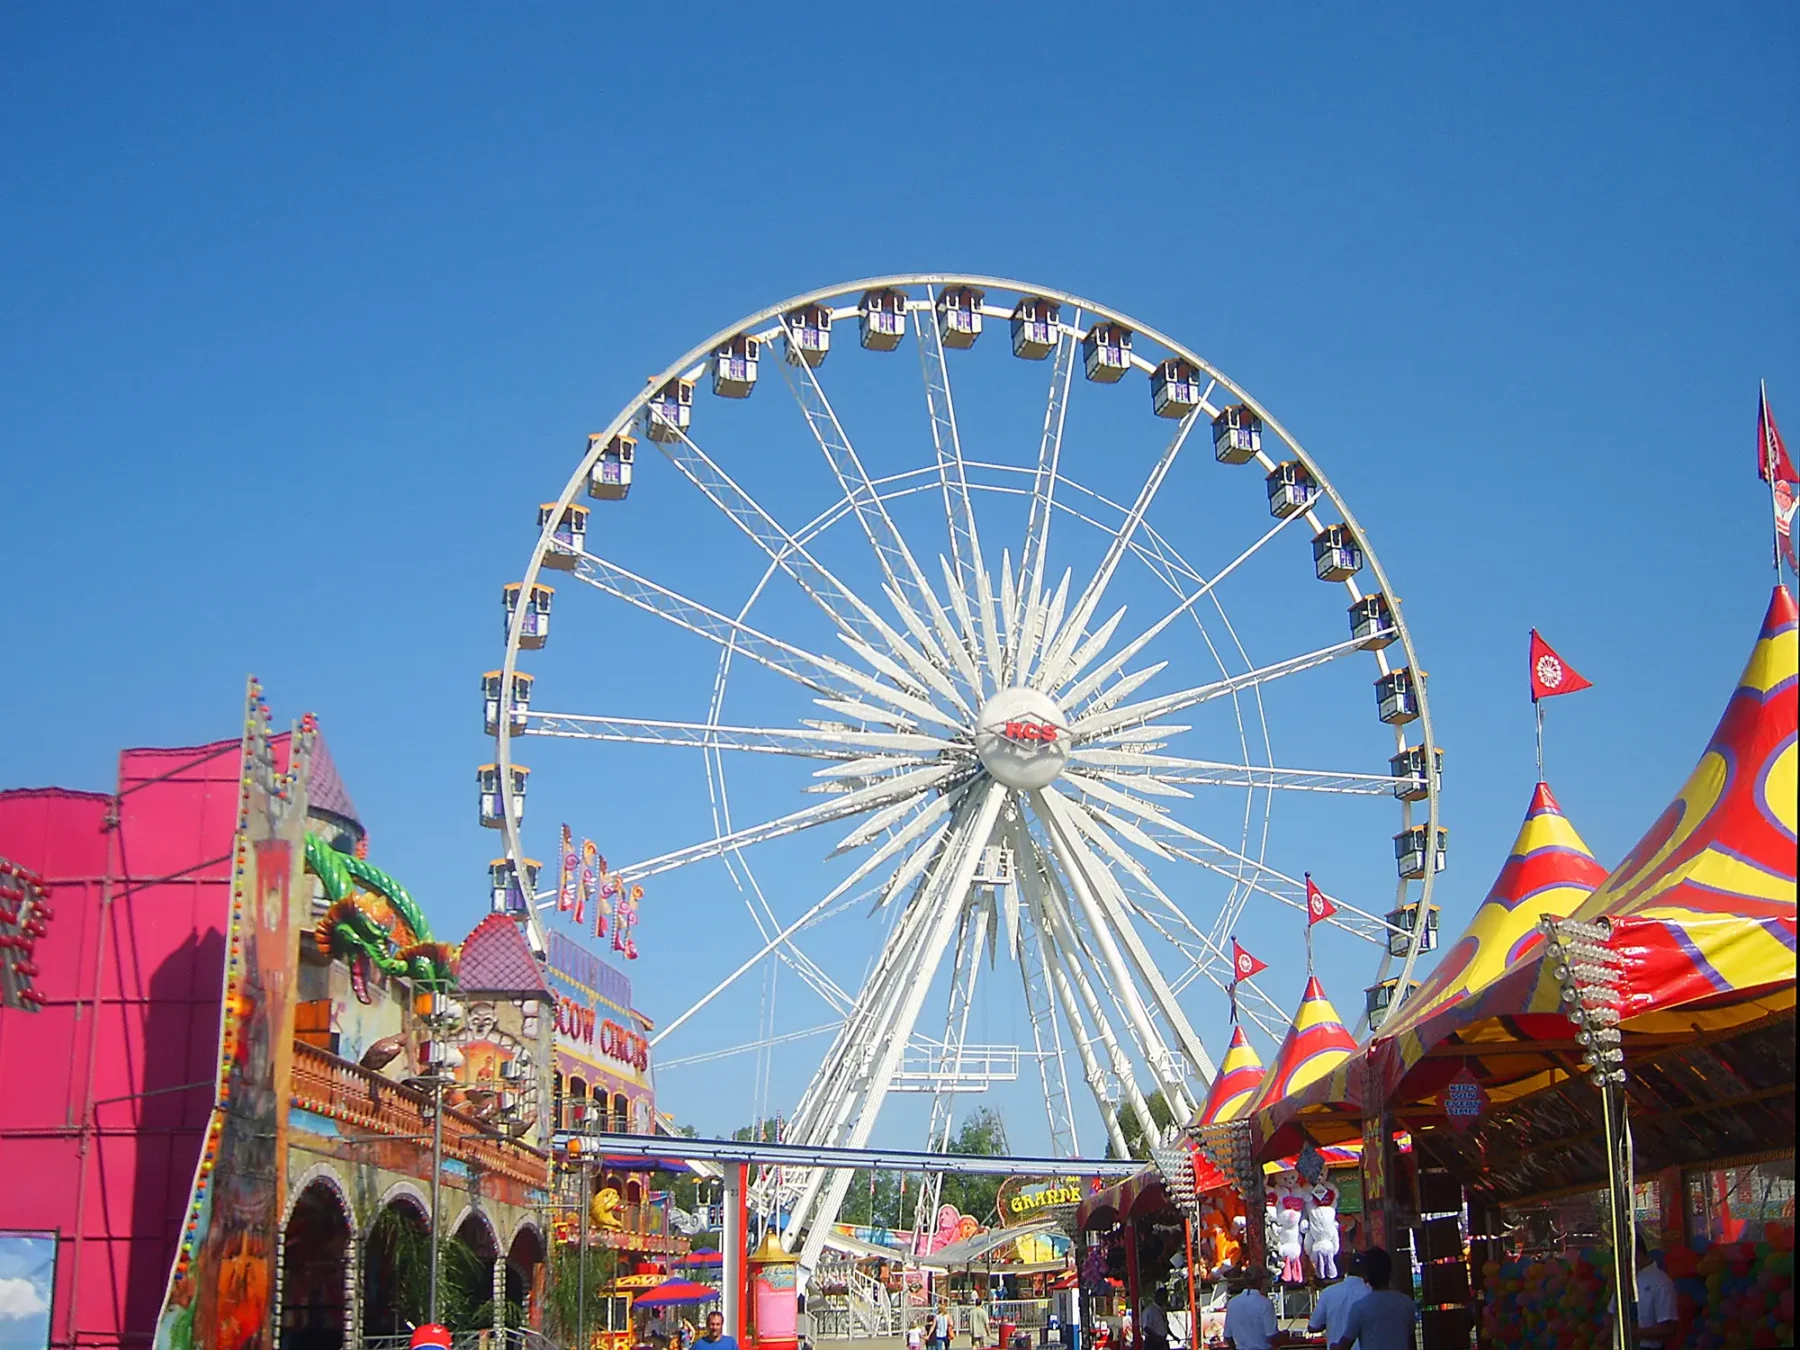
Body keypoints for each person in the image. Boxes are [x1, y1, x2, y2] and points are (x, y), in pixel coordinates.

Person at [1331, 1248, 1415, 1350]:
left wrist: (1333, 1346)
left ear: (1366, 1274)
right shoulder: (1406, 1303)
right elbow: (1410, 1338)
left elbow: (1343, 1346)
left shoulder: (1360, 1308)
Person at [1308, 1251, 1370, 1349]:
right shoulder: (1370, 1294)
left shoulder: (1329, 1292)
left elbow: (1313, 1327)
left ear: (1347, 1269)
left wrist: (1330, 1321)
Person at [1631, 1237, 1679, 1350]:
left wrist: (1636, 1333)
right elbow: (1611, 1313)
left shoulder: (1661, 1281)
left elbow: (1668, 1327)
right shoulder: (1624, 1280)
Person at [1221, 1269, 1284, 1350]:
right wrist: (1284, 1335)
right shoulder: (1265, 1304)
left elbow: (1227, 1336)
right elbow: (1271, 1336)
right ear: (1261, 1281)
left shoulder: (1232, 1303)